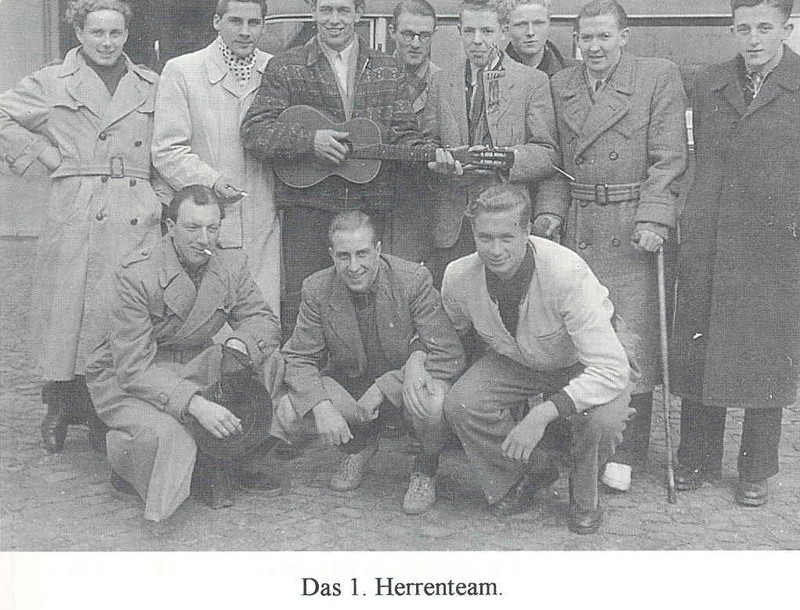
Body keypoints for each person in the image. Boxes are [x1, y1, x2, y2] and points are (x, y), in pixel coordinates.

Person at [0, 0, 169, 454]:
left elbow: (165, 147)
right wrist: (42, 153)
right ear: (79, 33)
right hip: (78, 203)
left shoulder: (150, 84)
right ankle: (58, 403)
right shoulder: (52, 81)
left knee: (121, 309)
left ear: (126, 34)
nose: (107, 43)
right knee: (66, 309)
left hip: (134, 207)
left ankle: (106, 408)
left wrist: (160, 198)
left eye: (115, 33)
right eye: (97, 32)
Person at [544, 0, 688, 491]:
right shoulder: (562, 85)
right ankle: (579, 441)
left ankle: (626, 451)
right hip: (579, 224)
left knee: (633, 338)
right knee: (578, 334)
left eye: (604, 36)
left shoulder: (656, 77)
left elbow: (669, 159)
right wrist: (550, 213)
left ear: (624, 37)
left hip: (631, 225)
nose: (594, 47)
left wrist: (654, 217)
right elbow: (557, 163)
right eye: (586, 38)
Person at [441, 183, 634, 534]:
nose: (495, 250)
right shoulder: (458, 276)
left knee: (602, 421)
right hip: (520, 358)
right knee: (462, 402)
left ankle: (584, 492)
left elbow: (611, 369)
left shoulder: (566, 273)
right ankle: (528, 471)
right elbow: (450, 334)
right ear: (472, 233)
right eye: (485, 238)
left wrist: (541, 414)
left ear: (527, 231)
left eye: (507, 238)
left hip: (585, 361)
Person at [85, 185, 283, 522]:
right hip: (132, 374)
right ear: (170, 226)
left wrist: (241, 344)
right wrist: (196, 404)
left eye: (212, 228)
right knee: (172, 437)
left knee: (271, 362)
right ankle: (124, 460)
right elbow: (132, 368)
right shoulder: (137, 274)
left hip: (192, 361)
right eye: (192, 228)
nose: (203, 239)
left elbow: (261, 320)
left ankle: (234, 459)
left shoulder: (230, 261)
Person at [670, 0, 799, 507]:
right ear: (732, 31)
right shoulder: (710, 82)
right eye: (743, 28)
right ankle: (697, 457)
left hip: (775, 243)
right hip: (711, 236)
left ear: (786, 29)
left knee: (766, 355)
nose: (754, 39)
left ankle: (756, 469)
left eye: (764, 28)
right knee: (701, 346)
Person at [240, 0, 427, 336]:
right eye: (326, 10)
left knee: (369, 302)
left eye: (343, 10)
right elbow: (254, 131)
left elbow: (405, 135)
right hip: (308, 209)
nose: (334, 20)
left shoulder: (388, 68)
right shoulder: (286, 66)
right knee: (304, 299)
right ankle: (302, 365)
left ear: (359, 13)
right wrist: (309, 141)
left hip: (369, 205)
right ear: (313, 11)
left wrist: (432, 156)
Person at [275, 211, 465, 514]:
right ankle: (358, 445)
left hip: (402, 389)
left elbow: (448, 352)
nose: (354, 267)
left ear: (378, 250)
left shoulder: (412, 280)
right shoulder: (317, 288)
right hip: (354, 389)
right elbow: (298, 357)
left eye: (362, 254)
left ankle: (425, 469)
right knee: (289, 412)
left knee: (433, 401)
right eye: (344, 256)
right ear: (331, 255)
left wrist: (386, 387)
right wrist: (321, 406)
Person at [152, 0, 280, 318]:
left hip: (265, 219)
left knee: (261, 317)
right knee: (209, 319)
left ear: (264, 26)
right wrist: (211, 181)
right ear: (216, 22)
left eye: (254, 23)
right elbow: (167, 149)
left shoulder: (277, 69)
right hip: (206, 218)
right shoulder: (182, 71)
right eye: (235, 21)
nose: (245, 31)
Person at [422, 0, 560, 287]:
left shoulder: (532, 82)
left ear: (503, 31)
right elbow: (428, 141)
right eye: (469, 31)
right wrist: (437, 160)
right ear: (458, 31)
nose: (477, 40)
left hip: (506, 222)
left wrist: (503, 159)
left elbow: (548, 153)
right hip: (453, 224)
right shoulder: (441, 81)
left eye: (486, 31)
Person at [383, 0, 441, 264]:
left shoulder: (445, 84)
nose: (416, 43)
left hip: (420, 202)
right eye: (408, 34)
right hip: (375, 196)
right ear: (392, 32)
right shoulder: (372, 75)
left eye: (424, 35)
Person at [503, 0, 573, 78]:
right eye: (521, 25)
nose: (530, 32)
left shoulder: (574, 74)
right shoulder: (494, 73)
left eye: (538, 23)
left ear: (548, 24)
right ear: (506, 28)